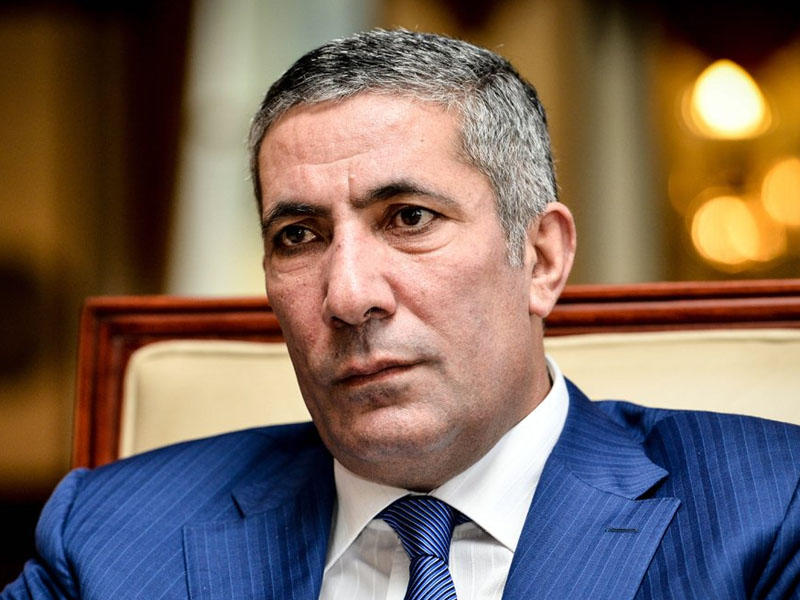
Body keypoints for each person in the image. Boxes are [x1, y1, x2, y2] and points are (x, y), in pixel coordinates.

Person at [3, 29, 800, 600]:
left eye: (410, 218)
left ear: (542, 258)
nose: (348, 296)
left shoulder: (769, 512)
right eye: (299, 235)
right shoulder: (108, 538)